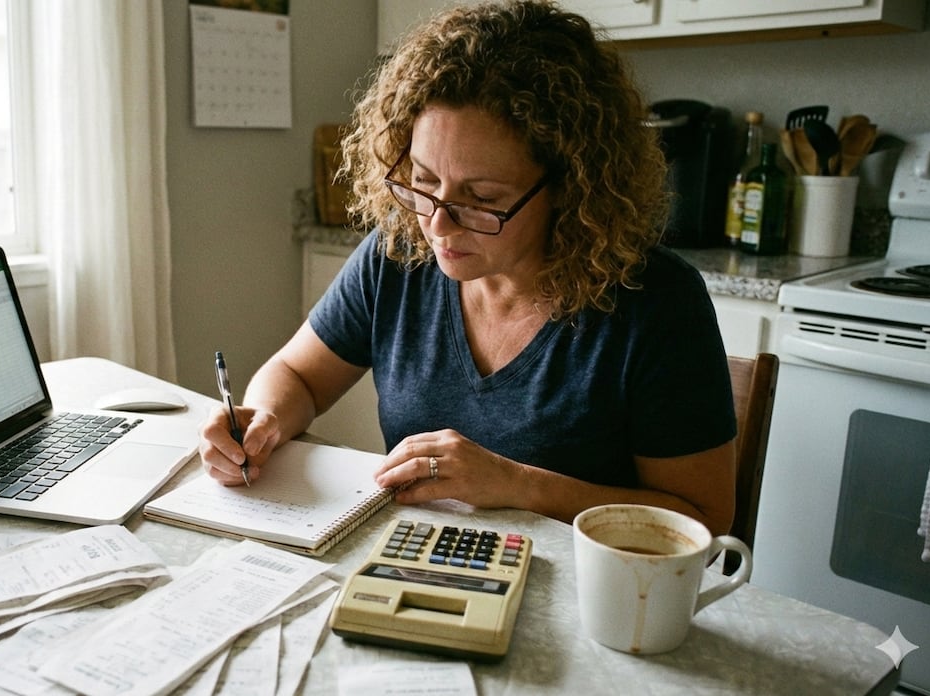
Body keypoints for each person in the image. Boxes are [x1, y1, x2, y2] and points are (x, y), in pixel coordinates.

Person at [199, 0, 737, 535]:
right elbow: (298, 376)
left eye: (480, 198)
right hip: (415, 563)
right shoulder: (399, 254)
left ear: (571, 189)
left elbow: (702, 518)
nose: (437, 224)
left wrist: (517, 483)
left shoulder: (657, 301)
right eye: (425, 181)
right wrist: (263, 420)